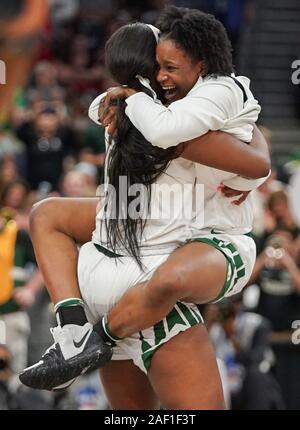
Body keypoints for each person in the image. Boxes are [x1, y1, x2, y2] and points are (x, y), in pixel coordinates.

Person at [20, 9, 270, 404]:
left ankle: (75, 332)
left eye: (171, 67)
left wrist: (126, 99)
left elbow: (251, 162)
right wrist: (253, 156)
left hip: (107, 275)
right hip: (157, 278)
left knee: (47, 214)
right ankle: (86, 338)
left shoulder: (130, 109)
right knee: (168, 281)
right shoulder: (168, 118)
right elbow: (256, 164)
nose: (165, 75)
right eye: (160, 67)